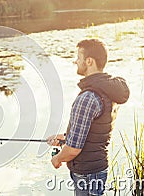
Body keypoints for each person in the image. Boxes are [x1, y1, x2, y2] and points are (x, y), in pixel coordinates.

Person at [47, 39, 130, 195]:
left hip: (87, 174)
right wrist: (65, 137)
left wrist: (57, 158)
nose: (75, 61)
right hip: (98, 169)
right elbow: (93, 131)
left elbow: (73, 150)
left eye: (79, 57)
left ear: (89, 61)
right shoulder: (107, 90)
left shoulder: (87, 97)